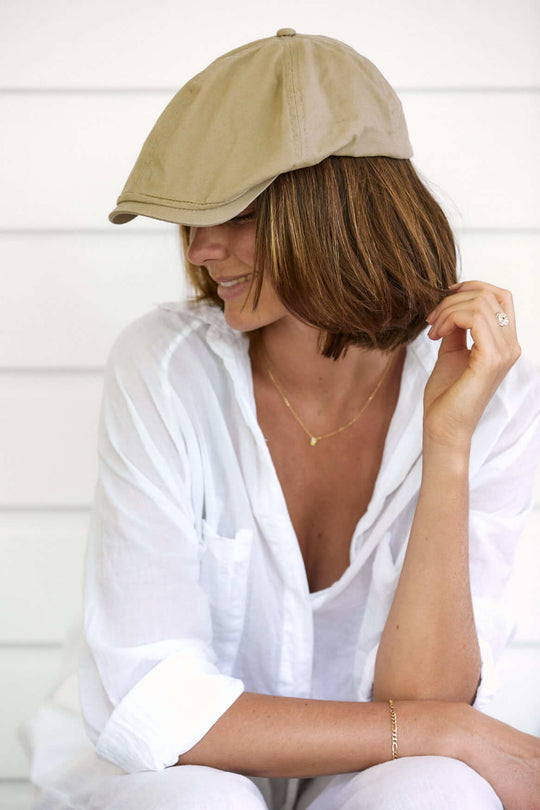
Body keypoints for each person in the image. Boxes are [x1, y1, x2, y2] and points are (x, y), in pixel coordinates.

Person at [23, 28, 540, 810]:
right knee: (201, 803)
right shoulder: (164, 369)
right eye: (188, 218)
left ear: (338, 212)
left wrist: (447, 441)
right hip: (171, 775)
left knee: (435, 793)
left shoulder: (486, 387)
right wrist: (455, 732)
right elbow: (156, 704)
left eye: (234, 212)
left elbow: (427, 696)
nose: (201, 249)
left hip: (363, 779)